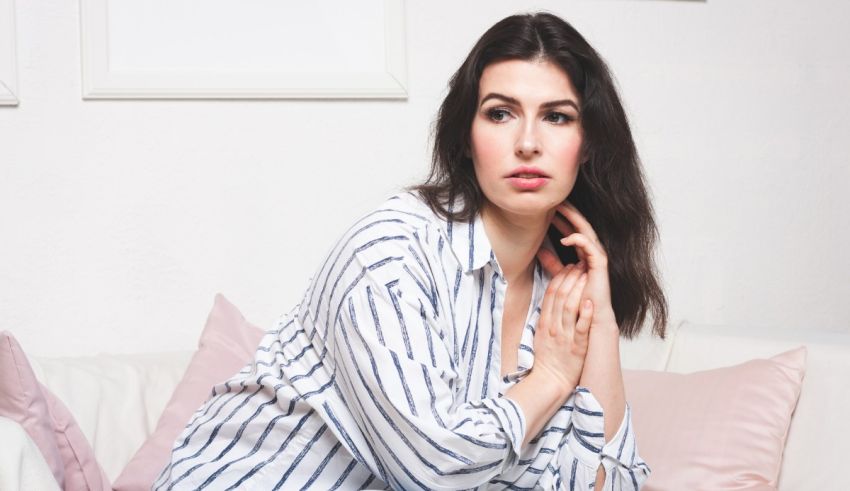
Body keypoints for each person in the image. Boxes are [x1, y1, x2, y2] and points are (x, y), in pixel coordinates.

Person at [154, 11, 667, 490]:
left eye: (556, 117)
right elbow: (435, 469)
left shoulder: (558, 299)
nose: (528, 142)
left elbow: (607, 483)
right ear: (465, 136)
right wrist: (550, 377)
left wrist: (601, 323)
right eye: (500, 113)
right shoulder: (391, 257)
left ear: (589, 143)